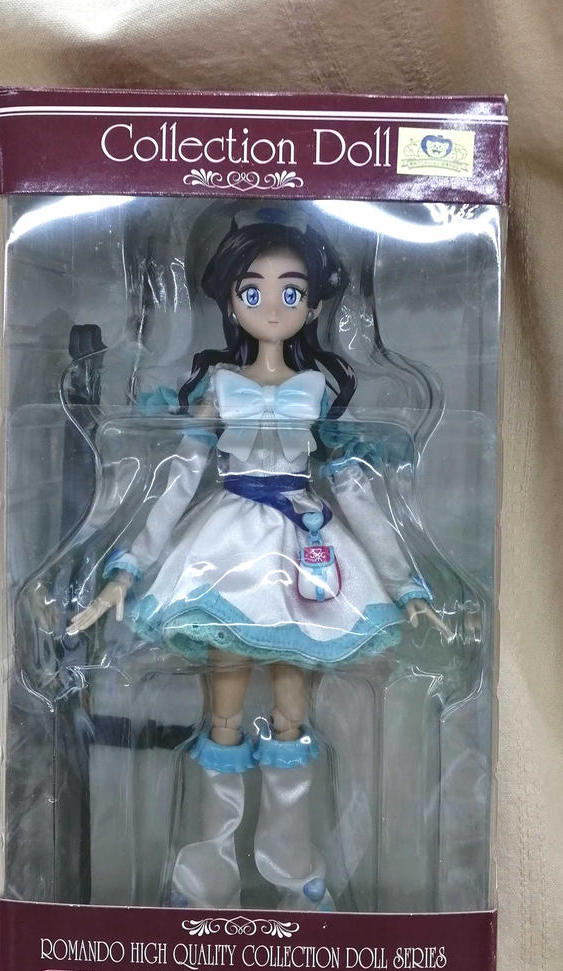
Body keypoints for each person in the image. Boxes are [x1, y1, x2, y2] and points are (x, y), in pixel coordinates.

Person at [68, 210, 447, 912]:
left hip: (303, 546)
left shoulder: (320, 391)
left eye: (291, 292)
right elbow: (177, 481)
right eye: (253, 291)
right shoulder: (217, 386)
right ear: (230, 300)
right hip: (227, 551)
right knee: (223, 717)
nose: (272, 307)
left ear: (314, 305)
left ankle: (295, 871)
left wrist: (406, 585)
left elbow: (356, 489)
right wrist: (124, 570)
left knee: (291, 717)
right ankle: (203, 877)